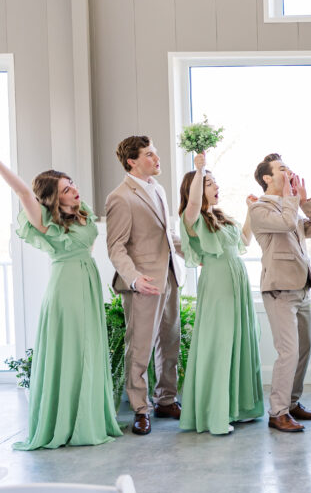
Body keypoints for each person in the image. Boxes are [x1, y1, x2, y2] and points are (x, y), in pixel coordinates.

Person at [0, 161, 121, 450]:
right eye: (67, 189)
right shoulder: (45, 221)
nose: (75, 190)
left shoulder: (83, 215)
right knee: (71, 349)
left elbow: (87, 247)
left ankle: (88, 417)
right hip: (65, 286)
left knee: (88, 348)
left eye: (73, 184)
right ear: (55, 198)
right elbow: (22, 192)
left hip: (87, 280)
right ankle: (66, 422)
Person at [177, 152, 264, 435]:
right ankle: (214, 411)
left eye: (215, 183)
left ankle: (235, 407)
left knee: (238, 339)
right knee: (220, 342)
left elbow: (245, 241)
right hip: (217, 282)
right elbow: (192, 204)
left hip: (236, 279)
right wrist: (199, 171)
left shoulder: (221, 217)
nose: (216, 188)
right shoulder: (192, 218)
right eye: (209, 184)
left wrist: (250, 210)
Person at [106, 136, 185, 436]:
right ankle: (141, 408)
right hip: (143, 284)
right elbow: (115, 247)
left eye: (156, 153)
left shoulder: (159, 189)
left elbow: (165, 235)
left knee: (170, 341)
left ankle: (166, 399)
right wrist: (135, 278)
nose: (156, 158)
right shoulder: (120, 197)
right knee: (139, 347)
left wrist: (189, 252)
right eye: (150, 155)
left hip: (170, 277)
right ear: (132, 161)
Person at [249, 153, 311, 432]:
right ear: (267, 178)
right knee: (288, 351)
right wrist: (292, 201)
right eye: (281, 168)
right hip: (279, 289)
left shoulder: (292, 207)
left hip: (302, 286)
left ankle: (292, 403)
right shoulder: (259, 209)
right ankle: (277, 412)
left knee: (304, 348)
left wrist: (306, 201)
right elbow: (287, 224)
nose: (288, 171)